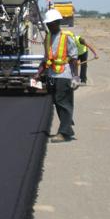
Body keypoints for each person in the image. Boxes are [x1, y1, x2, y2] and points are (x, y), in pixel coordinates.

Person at [35, 8, 80, 143]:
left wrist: (76, 77)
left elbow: (73, 58)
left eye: (52, 23)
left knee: (63, 102)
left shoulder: (66, 37)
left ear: (58, 22)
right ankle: (67, 128)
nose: (49, 25)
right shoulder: (48, 37)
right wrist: (37, 74)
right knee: (56, 101)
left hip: (64, 74)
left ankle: (64, 133)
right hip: (52, 74)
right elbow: (46, 59)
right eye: (48, 23)